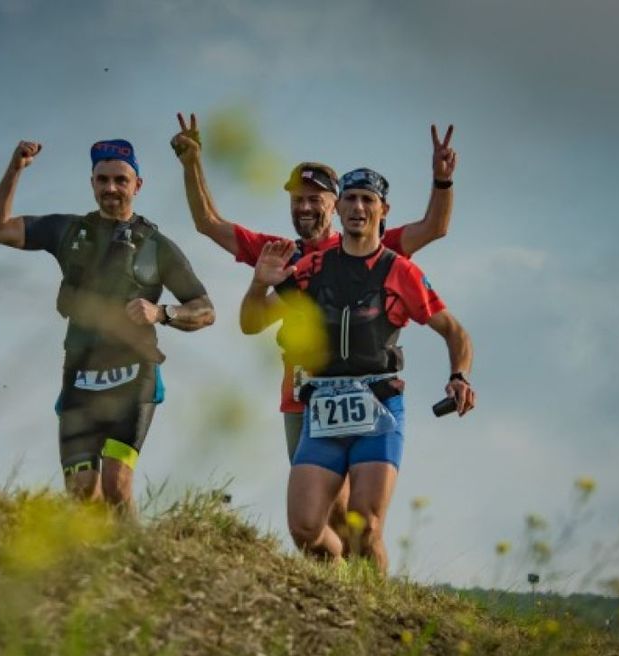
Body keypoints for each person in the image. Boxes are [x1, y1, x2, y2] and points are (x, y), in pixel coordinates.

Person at [170, 113, 457, 542]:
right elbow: (208, 223)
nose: (304, 207)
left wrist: (441, 181)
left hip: (362, 386)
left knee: (349, 512)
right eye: (296, 199)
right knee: (313, 516)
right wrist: (192, 164)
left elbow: (434, 227)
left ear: (335, 205)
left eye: (314, 199)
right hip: (301, 391)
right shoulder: (282, 255)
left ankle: (355, 587)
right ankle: (331, 578)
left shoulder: (376, 246)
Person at [240, 167, 475, 569]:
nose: (358, 207)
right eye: (350, 198)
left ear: (383, 210)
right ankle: (342, 578)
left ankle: (376, 608)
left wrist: (458, 376)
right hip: (322, 409)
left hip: (378, 410)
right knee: (305, 529)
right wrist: (259, 284)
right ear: (339, 207)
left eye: (368, 200)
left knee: (365, 526)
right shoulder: (313, 269)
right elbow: (252, 323)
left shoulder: (400, 271)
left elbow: (454, 331)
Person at [0, 138, 215, 511]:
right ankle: (95, 566)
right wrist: (15, 169)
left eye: (121, 180)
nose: (111, 188)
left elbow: (205, 310)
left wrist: (162, 313)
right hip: (80, 374)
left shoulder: (158, 246)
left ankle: (140, 564)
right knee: (81, 493)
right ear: (91, 183)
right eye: (102, 179)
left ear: (138, 185)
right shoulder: (68, 231)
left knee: (117, 486)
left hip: (134, 374)